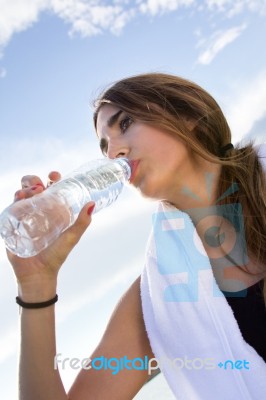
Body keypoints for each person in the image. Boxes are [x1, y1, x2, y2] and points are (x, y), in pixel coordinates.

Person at [7, 73, 266, 399]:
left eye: (125, 123)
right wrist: (36, 285)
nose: (114, 151)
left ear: (187, 117)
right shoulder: (159, 296)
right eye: (105, 146)